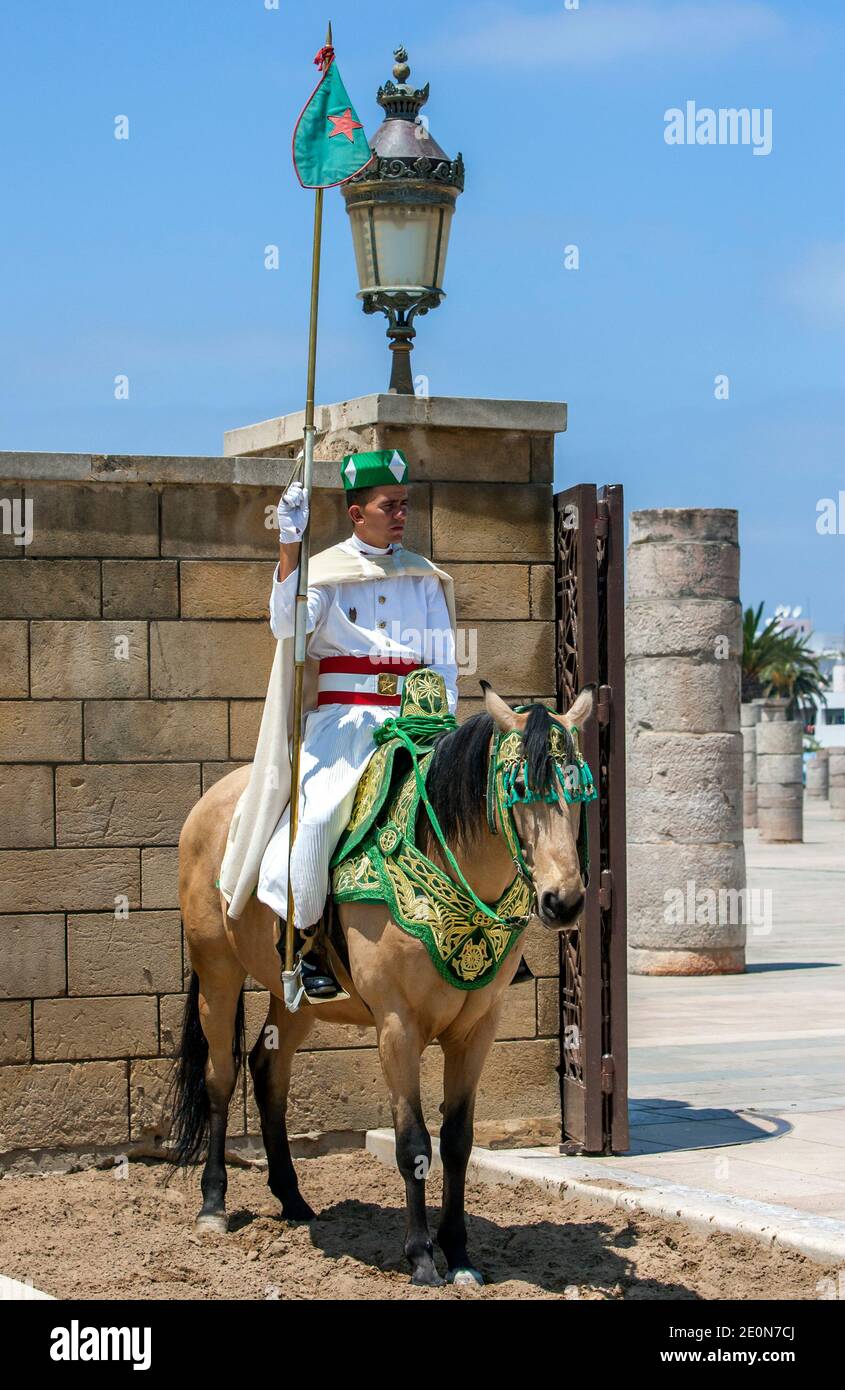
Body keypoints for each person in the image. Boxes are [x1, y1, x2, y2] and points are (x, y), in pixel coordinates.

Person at [258, 448, 459, 999]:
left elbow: (443, 661)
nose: (401, 515)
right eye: (389, 506)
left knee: (473, 803)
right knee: (320, 820)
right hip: (344, 725)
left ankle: (486, 931)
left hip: (417, 722)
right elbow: (286, 626)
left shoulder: (422, 577)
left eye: (405, 504)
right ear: (356, 513)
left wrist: (443, 721)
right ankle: (304, 944)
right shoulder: (325, 573)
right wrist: (290, 544)